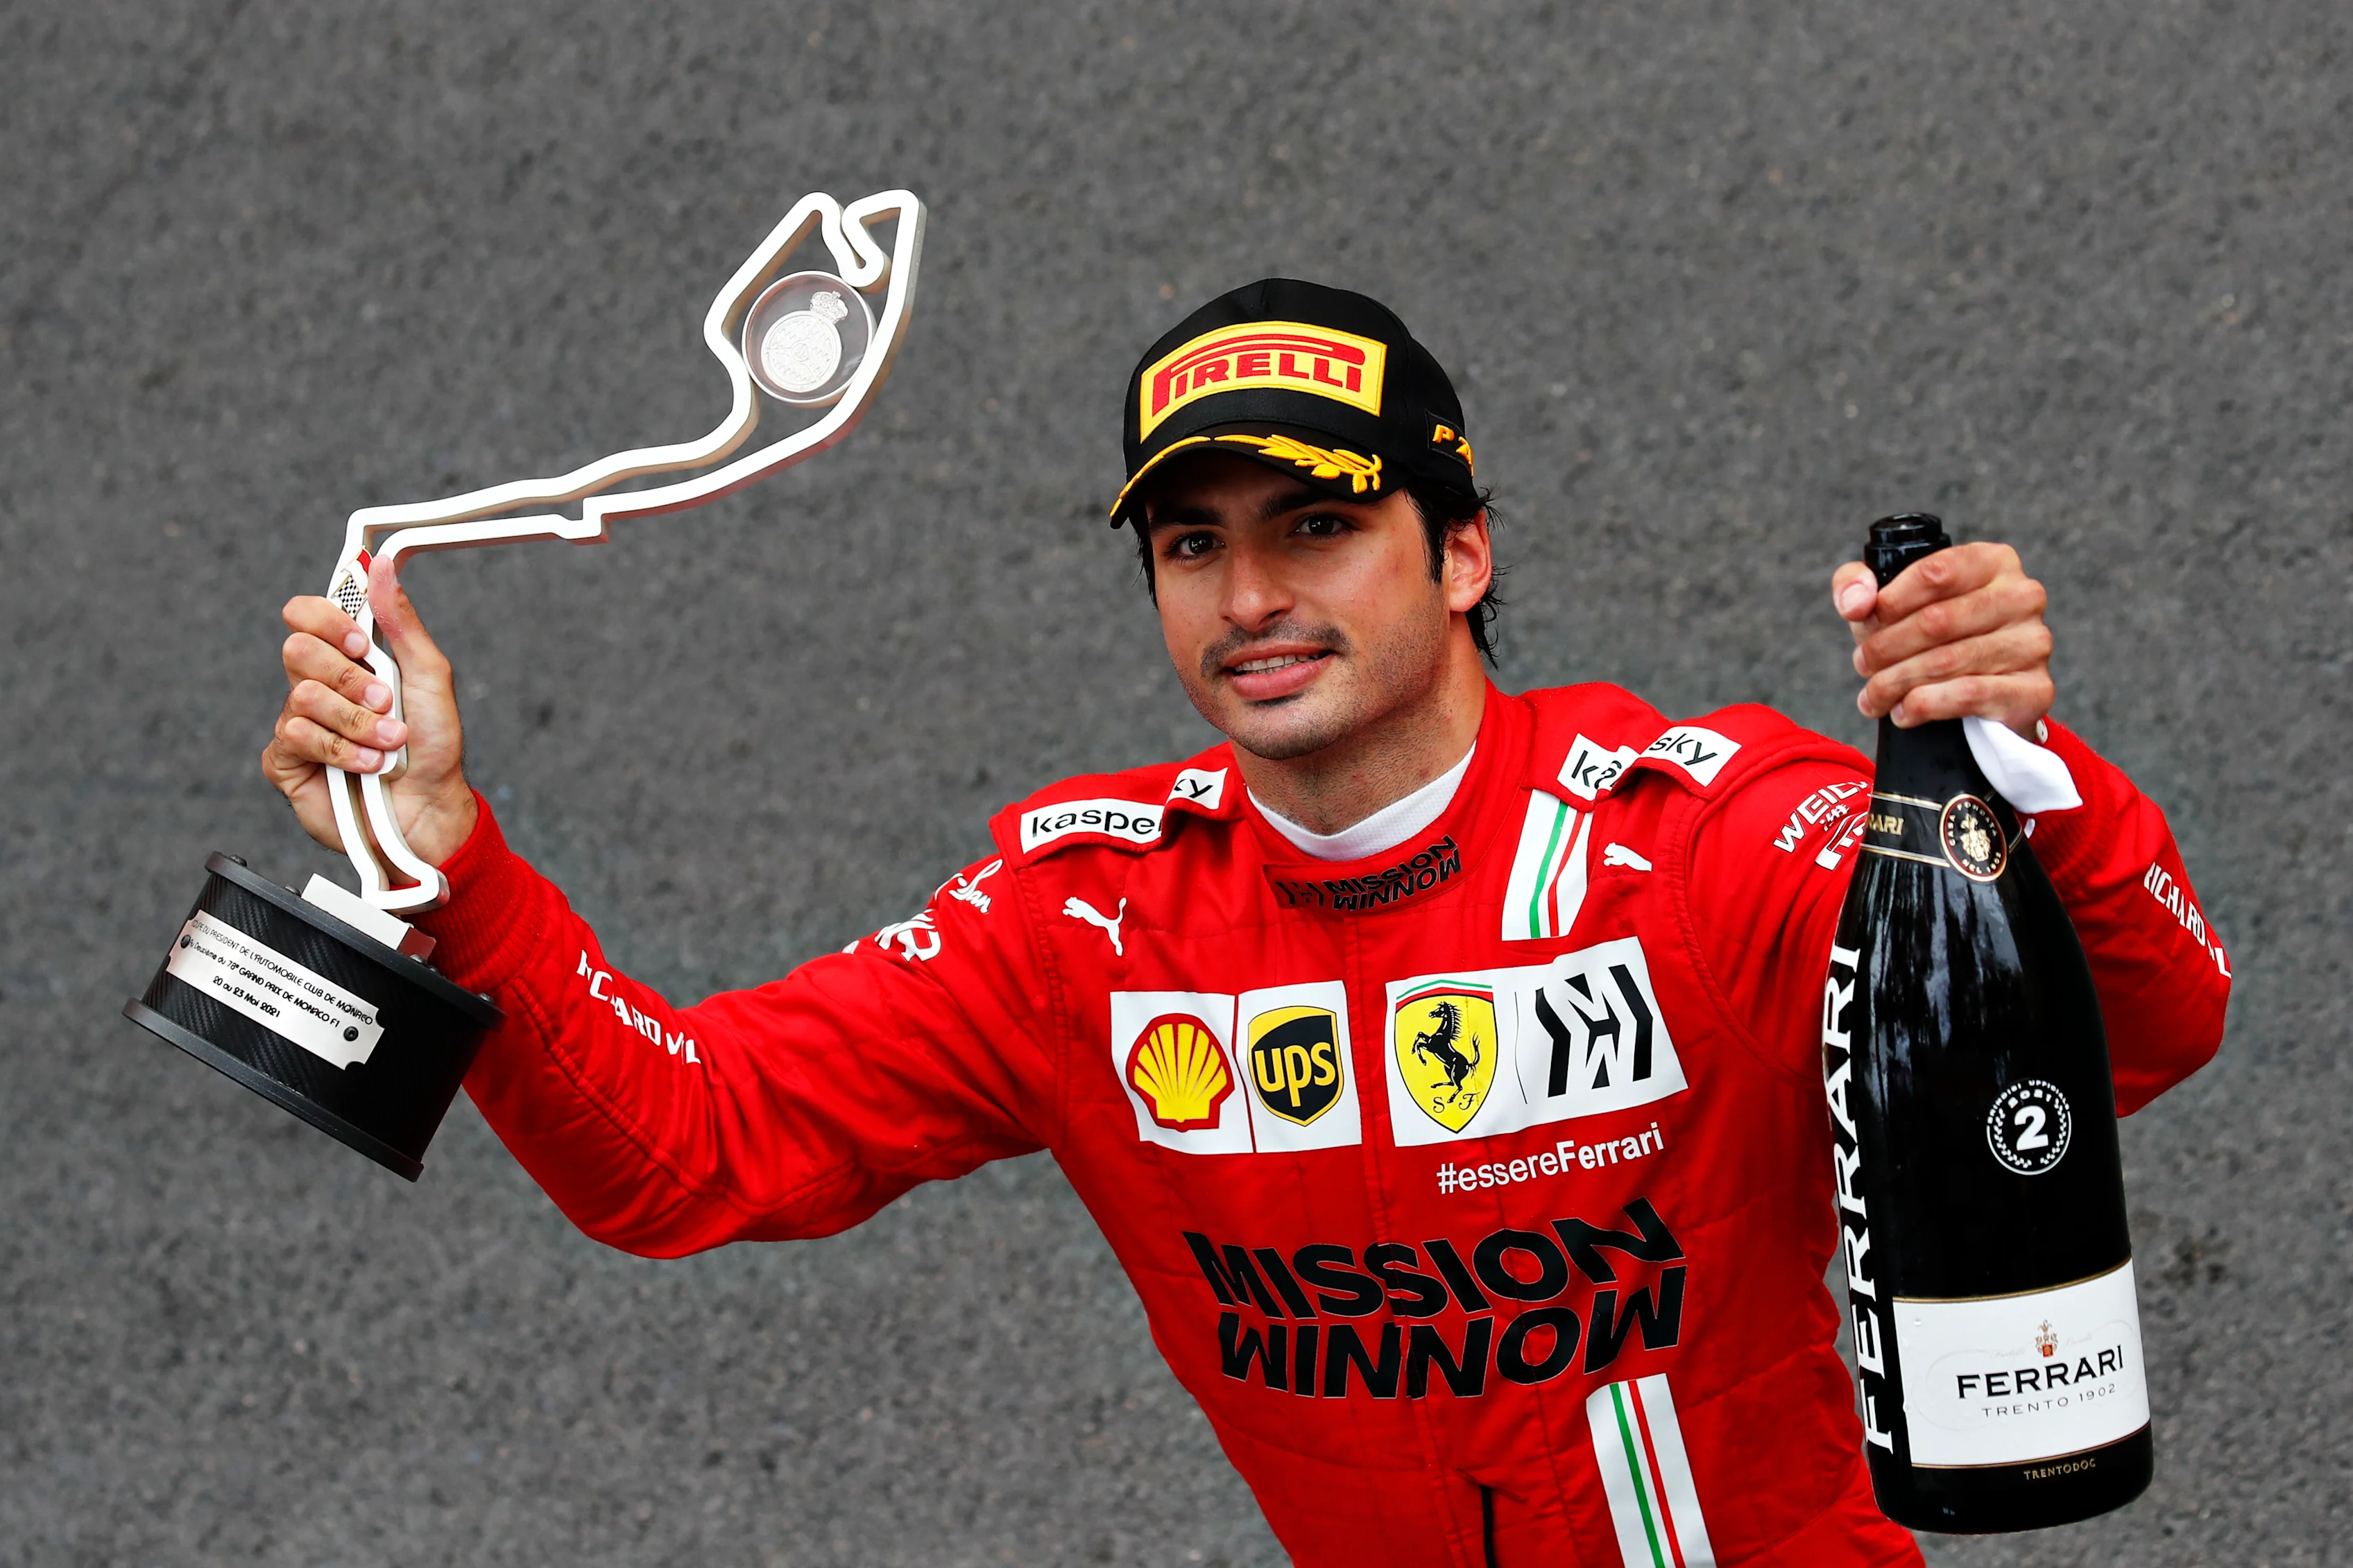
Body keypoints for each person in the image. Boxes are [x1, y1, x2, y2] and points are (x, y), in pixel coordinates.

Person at [262, 279, 2229, 1567]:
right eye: (1193, 543)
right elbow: (685, 1148)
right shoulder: (1083, 923)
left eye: (1319, 527)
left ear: (1464, 552)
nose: (1250, 597)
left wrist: (2014, 760)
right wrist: (451, 868)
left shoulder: (1706, 839)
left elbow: (2144, 1026)